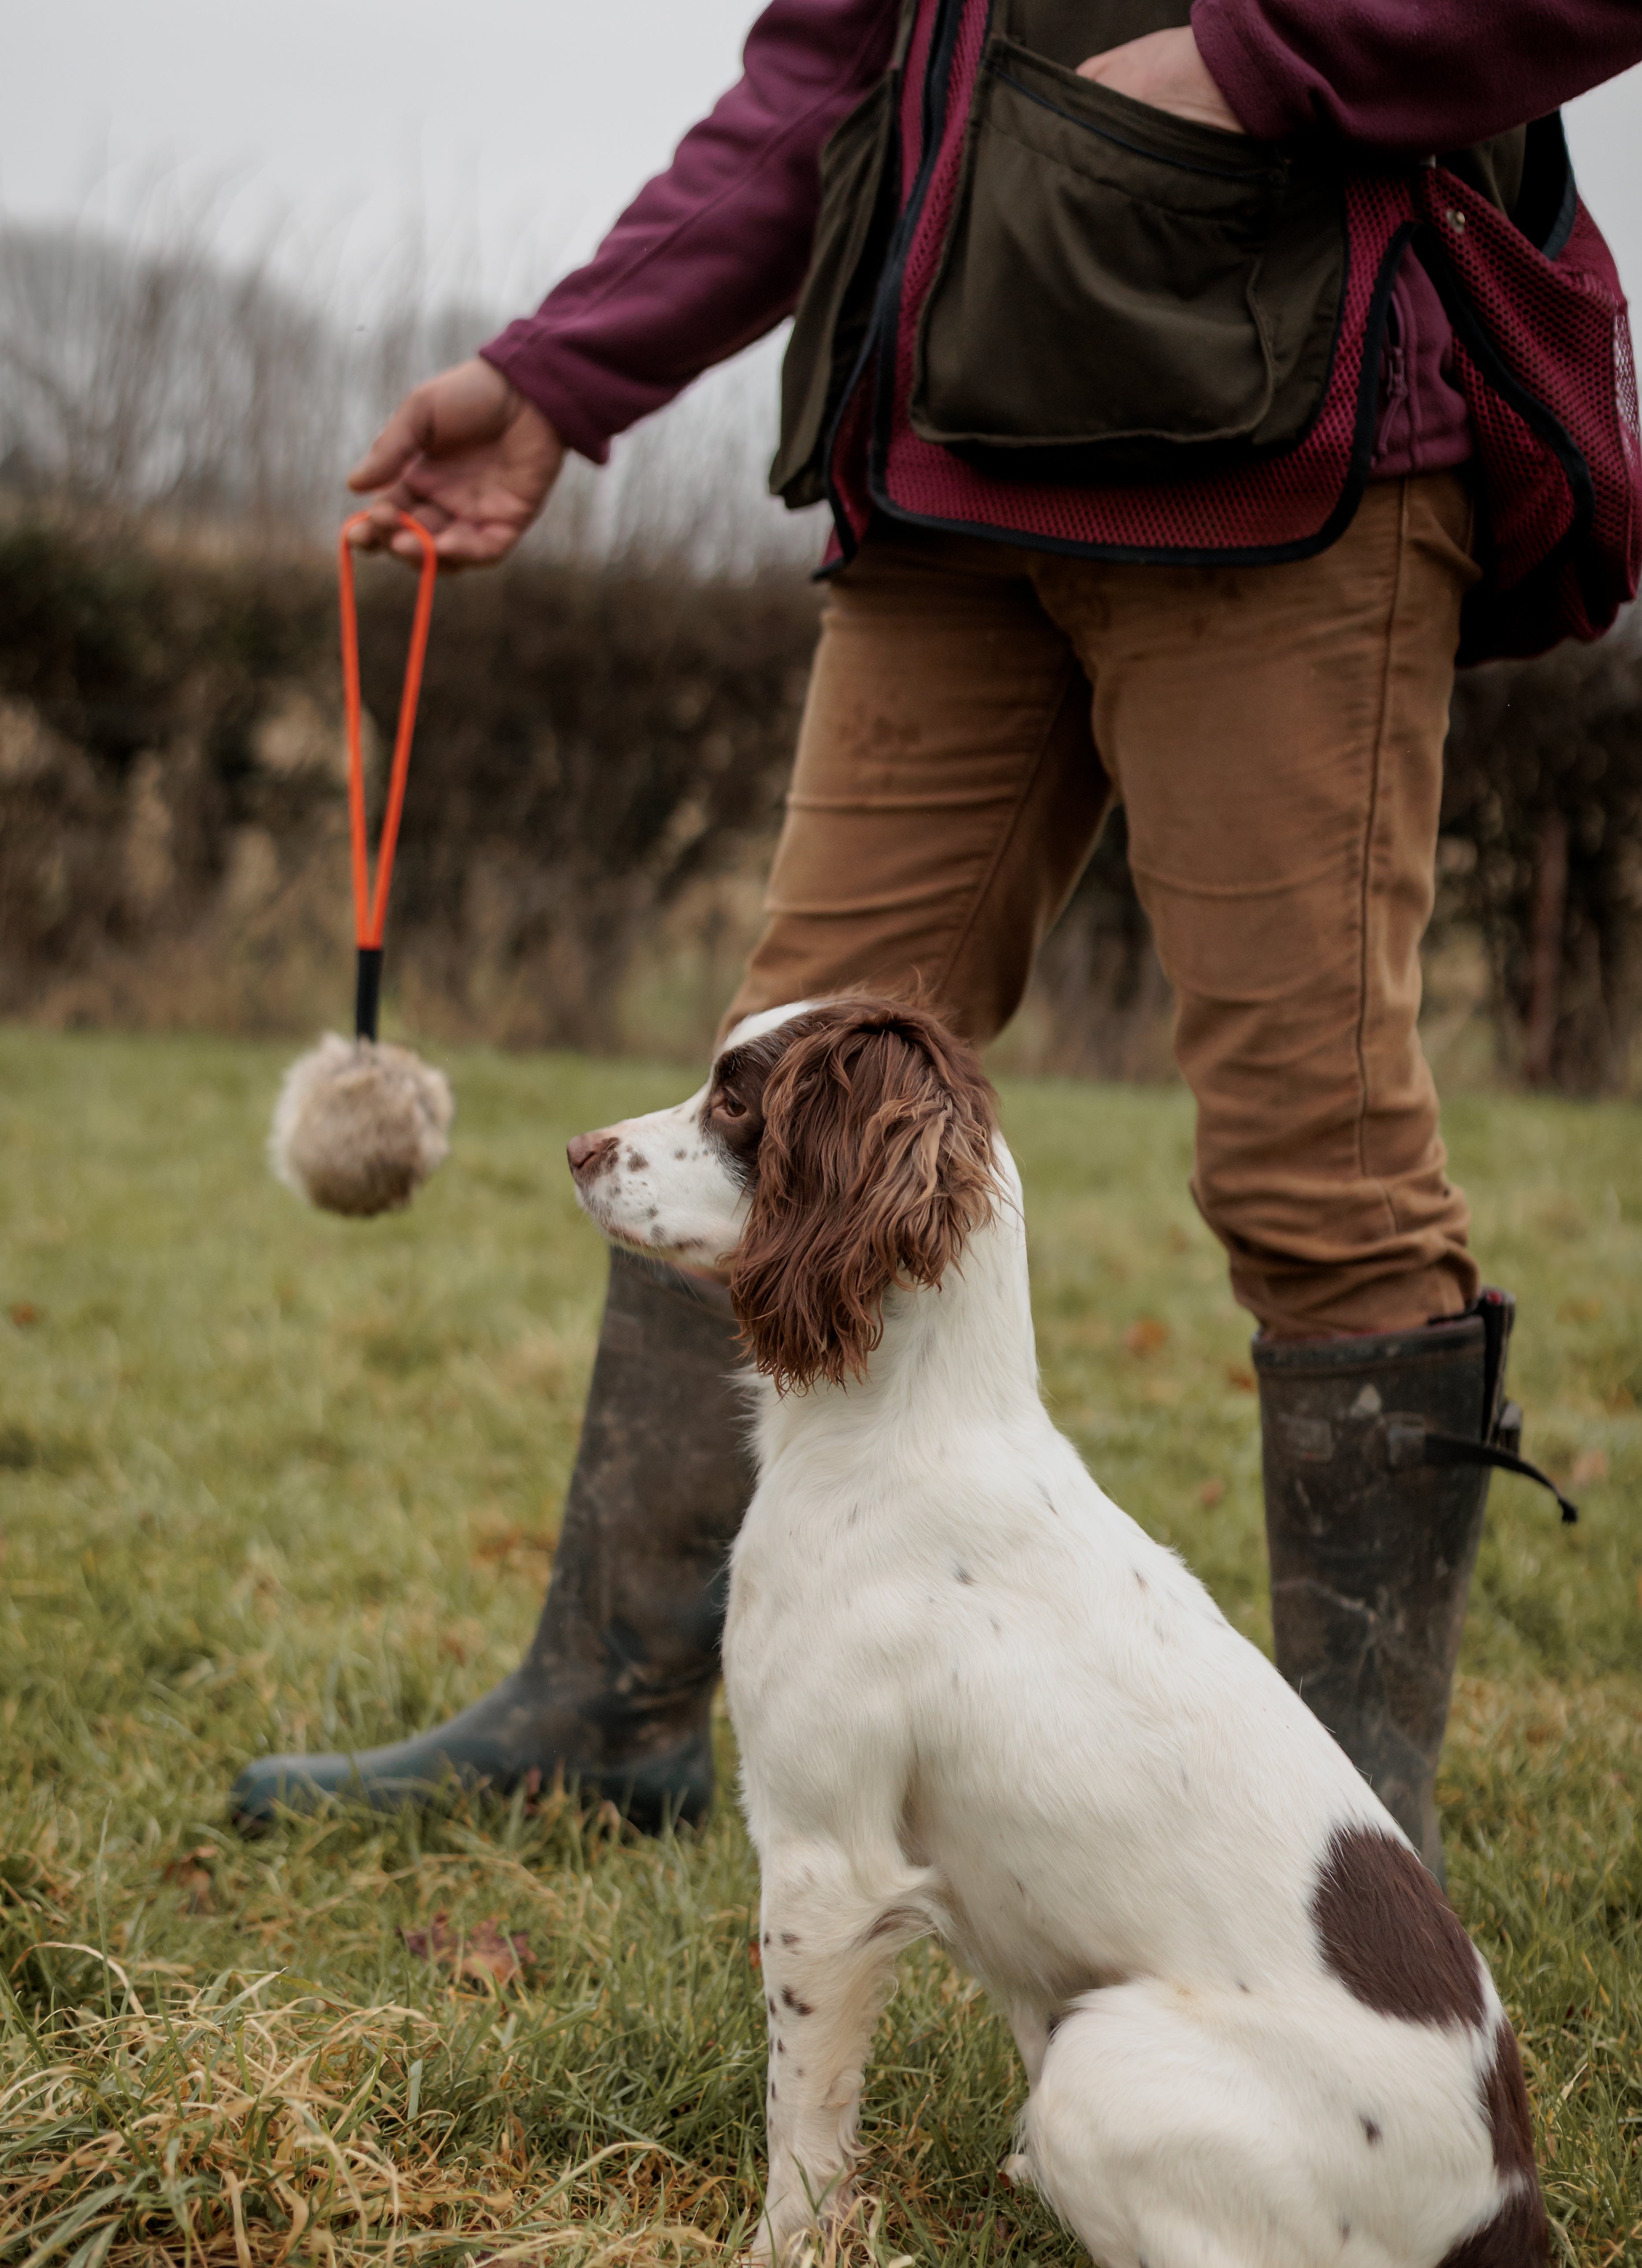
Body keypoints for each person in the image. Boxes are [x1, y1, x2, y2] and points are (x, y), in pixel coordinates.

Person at [233, 0, 1642, 1877]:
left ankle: (1347, 1834)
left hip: (1287, 457)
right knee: (766, 1091)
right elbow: (824, 74)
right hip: (943, 478)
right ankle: (609, 1703)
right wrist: (562, 375)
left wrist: (1247, 61)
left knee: (1315, 1153)